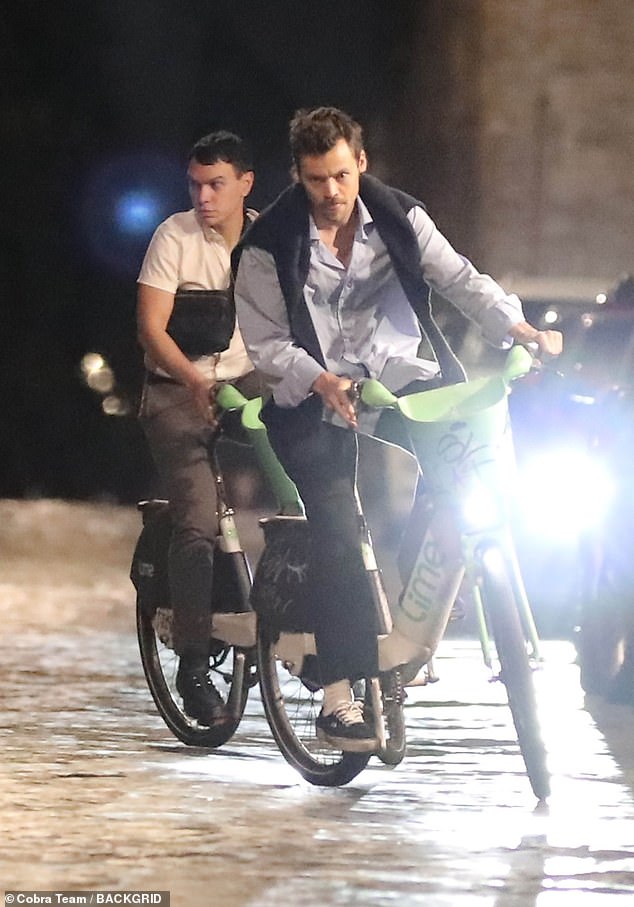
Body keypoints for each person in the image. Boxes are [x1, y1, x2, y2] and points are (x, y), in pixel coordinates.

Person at [232, 106, 563, 752]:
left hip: (396, 374)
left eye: (339, 174)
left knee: (461, 462)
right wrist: (322, 379)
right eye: (314, 179)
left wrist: (517, 328)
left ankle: (417, 599)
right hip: (313, 395)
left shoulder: (399, 218)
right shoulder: (268, 246)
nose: (331, 192)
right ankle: (340, 698)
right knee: (336, 522)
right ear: (297, 177)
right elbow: (267, 346)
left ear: (361, 162)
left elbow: (459, 278)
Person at [137, 130, 259, 727]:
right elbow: (152, 328)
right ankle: (191, 665)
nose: (204, 197)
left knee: (319, 484)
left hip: (247, 390)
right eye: (195, 185)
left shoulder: (267, 242)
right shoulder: (174, 237)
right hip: (176, 393)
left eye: (216, 184)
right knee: (197, 521)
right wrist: (191, 380)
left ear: (245, 184)